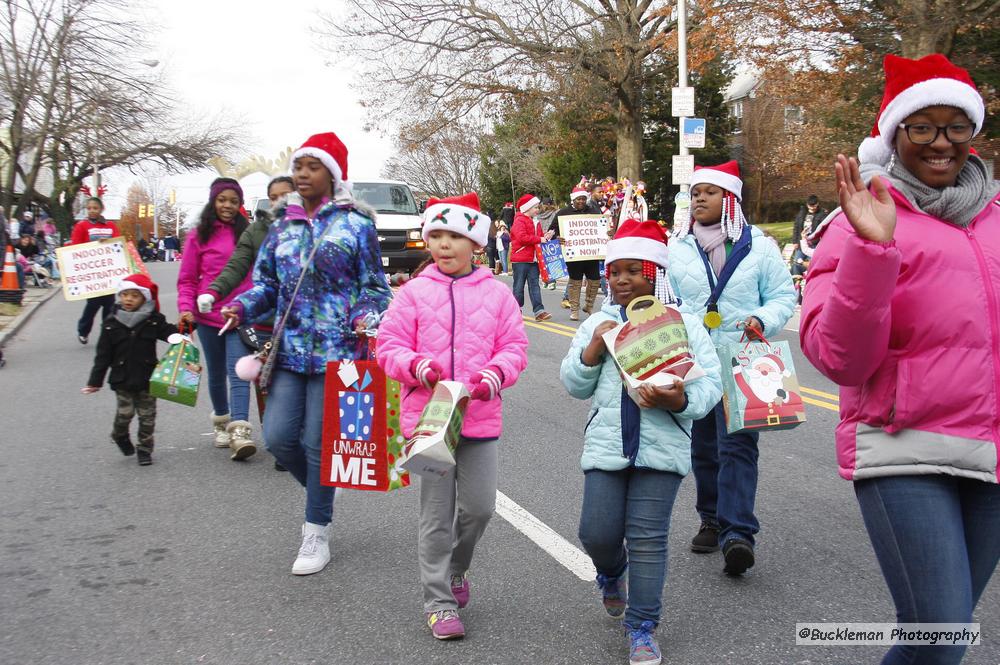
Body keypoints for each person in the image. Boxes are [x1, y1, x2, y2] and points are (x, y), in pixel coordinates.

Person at [801, 54, 1000, 665]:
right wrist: (872, 248)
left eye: (955, 126)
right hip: (903, 447)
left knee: (941, 635)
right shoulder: (859, 221)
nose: (941, 143)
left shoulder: (995, 218)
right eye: (923, 127)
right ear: (894, 134)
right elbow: (841, 359)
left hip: (990, 452)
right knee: (940, 638)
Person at [224, 132, 392, 575]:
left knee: (318, 443)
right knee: (279, 439)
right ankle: (323, 489)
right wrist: (239, 306)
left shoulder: (357, 225)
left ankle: (316, 531)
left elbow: (376, 287)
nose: (301, 174)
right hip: (290, 351)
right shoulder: (281, 226)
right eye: (298, 166)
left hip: (340, 353)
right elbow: (266, 285)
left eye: (312, 166)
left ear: (333, 175)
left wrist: (363, 314)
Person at [561, 219, 722, 665]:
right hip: (606, 445)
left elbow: (709, 389)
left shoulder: (686, 323)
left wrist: (680, 397)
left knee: (648, 538)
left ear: (657, 275)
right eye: (615, 272)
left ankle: (643, 627)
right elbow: (573, 384)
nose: (622, 280)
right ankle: (612, 573)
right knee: (595, 532)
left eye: (634, 270)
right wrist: (591, 352)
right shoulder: (599, 322)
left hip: (662, 448)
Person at [377, 192, 528, 641]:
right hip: (428, 422)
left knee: (480, 509)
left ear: (475, 243)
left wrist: (495, 375)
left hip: (478, 418)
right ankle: (438, 601)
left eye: (454, 236)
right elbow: (388, 346)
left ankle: (458, 570)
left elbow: (514, 348)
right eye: (436, 235)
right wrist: (415, 366)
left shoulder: (498, 295)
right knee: (436, 516)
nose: (443, 244)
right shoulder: (412, 293)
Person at [667, 160, 796, 575]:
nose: (699, 198)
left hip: (746, 359)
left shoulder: (759, 246)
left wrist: (764, 319)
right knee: (703, 447)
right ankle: (711, 518)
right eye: (695, 192)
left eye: (709, 191)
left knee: (738, 448)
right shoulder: (676, 247)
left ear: (731, 200)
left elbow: (782, 296)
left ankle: (738, 533)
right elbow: (665, 301)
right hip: (697, 362)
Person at [197, 175, 295, 472]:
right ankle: (263, 438)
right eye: (274, 196)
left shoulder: (311, 228)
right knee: (259, 380)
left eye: (287, 195)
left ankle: (286, 442)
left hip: (297, 321)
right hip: (258, 317)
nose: (281, 201)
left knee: (285, 383)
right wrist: (213, 292)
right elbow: (236, 265)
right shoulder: (256, 231)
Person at [176, 178, 256, 461]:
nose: (228, 206)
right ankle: (221, 423)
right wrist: (186, 308)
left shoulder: (247, 233)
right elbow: (186, 279)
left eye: (234, 201)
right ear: (213, 201)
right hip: (207, 315)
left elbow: (256, 276)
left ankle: (240, 431)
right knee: (217, 371)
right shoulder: (199, 235)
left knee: (239, 372)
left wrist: (250, 306)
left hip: (238, 315)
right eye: (222, 200)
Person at [81, 274, 178, 466]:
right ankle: (120, 435)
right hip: (121, 378)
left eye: (134, 295)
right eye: (125, 294)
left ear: (144, 299)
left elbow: (171, 334)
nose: (128, 299)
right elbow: (103, 356)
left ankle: (145, 449)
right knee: (125, 414)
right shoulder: (111, 322)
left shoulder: (153, 320)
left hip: (148, 377)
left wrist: (189, 325)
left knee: (147, 416)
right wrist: (95, 381)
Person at [71, 197, 121, 344]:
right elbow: (75, 247)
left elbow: (118, 243)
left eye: (95, 208)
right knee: (93, 304)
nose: (92, 211)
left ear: (101, 209)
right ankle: (83, 331)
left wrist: (109, 243)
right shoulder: (82, 226)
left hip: (108, 272)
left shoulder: (110, 226)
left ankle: (108, 333)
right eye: (90, 208)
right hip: (91, 274)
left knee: (109, 304)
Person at [551, 185, 604, 320]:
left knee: (595, 279)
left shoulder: (593, 211)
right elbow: (551, 231)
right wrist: (557, 237)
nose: (581, 201)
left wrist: (607, 232)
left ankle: (589, 305)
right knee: (575, 282)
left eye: (583, 199)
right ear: (573, 200)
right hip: (573, 254)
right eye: (578, 199)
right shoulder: (563, 213)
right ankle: (574, 310)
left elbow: (602, 227)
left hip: (591, 253)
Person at [510, 193, 553, 321]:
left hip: (533, 259)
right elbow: (522, 238)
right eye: (535, 207)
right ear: (527, 208)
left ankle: (539, 311)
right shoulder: (519, 221)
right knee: (518, 286)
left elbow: (539, 238)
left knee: (535, 285)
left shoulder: (536, 222)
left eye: (537, 207)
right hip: (521, 259)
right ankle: (515, 309)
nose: (537, 210)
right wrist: (539, 238)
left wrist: (546, 237)